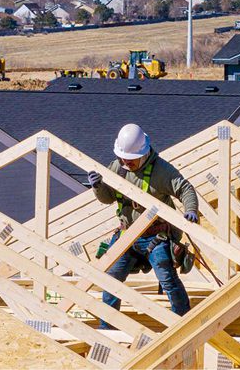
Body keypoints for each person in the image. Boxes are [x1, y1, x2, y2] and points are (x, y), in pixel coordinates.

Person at [87, 123, 199, 328]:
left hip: (155, 236)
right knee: (111, 279)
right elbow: (107, 198)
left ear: (144, 153)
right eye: (123, 158)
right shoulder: (117, 167)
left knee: (167, 278)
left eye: (130, 160)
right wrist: (98, 187)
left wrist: (190, 210)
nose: (125, 163)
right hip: (127, 235)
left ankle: (183, 324)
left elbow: (185, 188)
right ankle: (107, 328)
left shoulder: (161, 170)